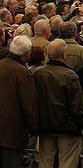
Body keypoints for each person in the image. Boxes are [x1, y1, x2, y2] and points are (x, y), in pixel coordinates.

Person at [33, 39, 83, 168]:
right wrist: (82, 123)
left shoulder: (38, 74)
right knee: (67, 162)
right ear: (64, 55)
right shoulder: (70, 76)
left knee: (45, 161)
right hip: (68, 127)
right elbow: (77, 105)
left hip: (45, 125)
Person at [0, 35, 38, 166]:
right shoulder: (22, 72)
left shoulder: (2, 65)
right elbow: (29, 105)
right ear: (27, 53)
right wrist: (34, 126)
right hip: (12, 132)